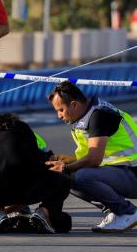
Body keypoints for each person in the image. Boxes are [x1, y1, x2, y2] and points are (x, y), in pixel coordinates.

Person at [47, 81, 137, 233]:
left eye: (61, 110)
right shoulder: (85, 117)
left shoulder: (99, 115)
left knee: (81, 176)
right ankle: (114, 211)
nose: (59, 115)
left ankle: (128, 212)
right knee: (65, 178)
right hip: (121, 171)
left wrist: (65, 168)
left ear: (74, 105)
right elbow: (85, 156)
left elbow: (94, 159)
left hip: (133, 173)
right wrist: (62, 160)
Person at [0, 113, 71, 233]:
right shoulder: (21, 127)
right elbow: (37, 160)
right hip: (22, 185)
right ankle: (44, 212)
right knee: (63, 180)